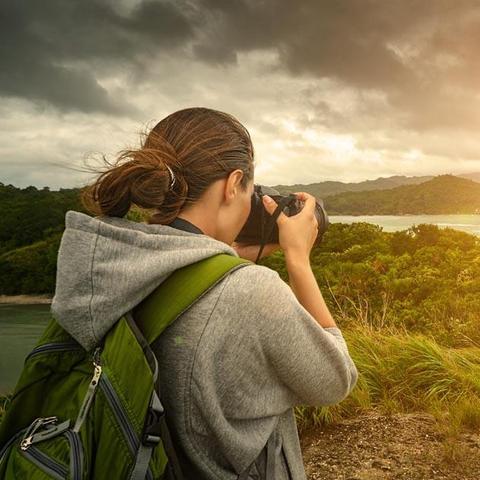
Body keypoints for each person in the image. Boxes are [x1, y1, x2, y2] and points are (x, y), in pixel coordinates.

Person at [51, 107, 358, 479]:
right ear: (233, 184)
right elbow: (335, 379)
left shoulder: (109, 270)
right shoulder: (251, 292)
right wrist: (297, 260)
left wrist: (220, 260)